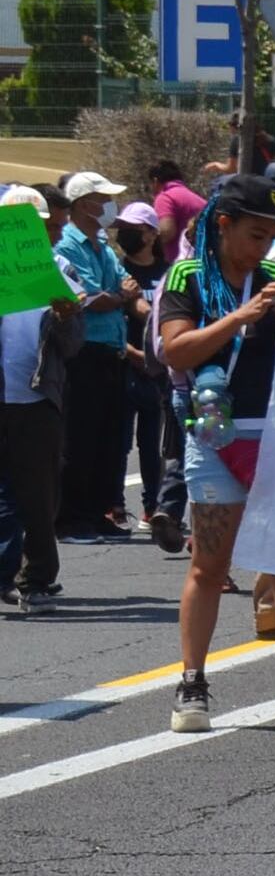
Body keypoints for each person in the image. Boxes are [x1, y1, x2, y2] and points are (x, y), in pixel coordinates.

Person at [156, 174, 275, 730]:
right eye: (254, 235)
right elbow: (175, 349)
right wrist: (241, 317)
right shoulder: (189, 275)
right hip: (217, 434)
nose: (263, 248)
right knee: (210, 565)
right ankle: (191, 684)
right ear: (223, 224)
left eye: (271, 237)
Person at [0, 186, 82, 610]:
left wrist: (68, 317)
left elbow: (72, 346)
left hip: (35, 398)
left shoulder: (59, 268)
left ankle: (37, 577)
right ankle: (6, 574)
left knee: (39, 493)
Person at [53, 172, 136, 541]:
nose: (108, 205)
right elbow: (92, 298)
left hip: (111, 351)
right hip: (85, 351)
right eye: (103, 198)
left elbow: (123, 284)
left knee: (108, 439)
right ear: (84, 204)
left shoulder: (101, 245)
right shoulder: (69, 245)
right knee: (80, 438)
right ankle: (72, 516)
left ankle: (98, 510)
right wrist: (120, 296)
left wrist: (118, 294)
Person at [110, 201, 181, 548]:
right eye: (123, 228)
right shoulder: (119, 272)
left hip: (158, 371)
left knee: (155, 443)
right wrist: (134, 353)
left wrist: (151, 356)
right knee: (120, 440)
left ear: (152, 233)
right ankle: (115, 505)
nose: (128, 235)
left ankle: (153, 506)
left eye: (136, 228)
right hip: (126, 365)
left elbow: (166, 318)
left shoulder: (167, 273)